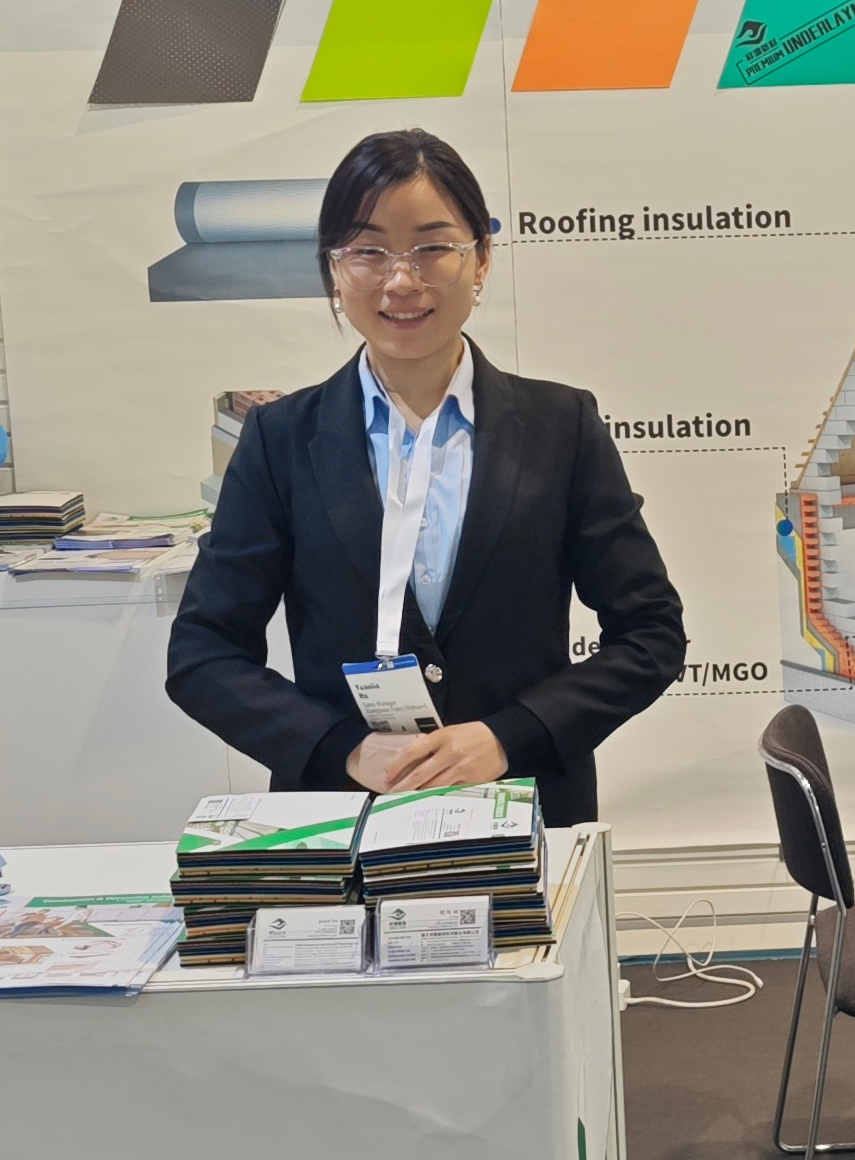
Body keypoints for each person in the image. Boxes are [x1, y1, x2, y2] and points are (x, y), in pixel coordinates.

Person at [167, 129, 683, 828]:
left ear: (481, 259)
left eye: (432, 247)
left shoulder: (560, 427)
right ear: (333, 269)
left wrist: (509, 736)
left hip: (522, 811)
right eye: (368, 251)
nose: (401, 280)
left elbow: (651, 633)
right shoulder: (280, 440)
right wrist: (342, 748)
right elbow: (202, 654)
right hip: (343, 817)